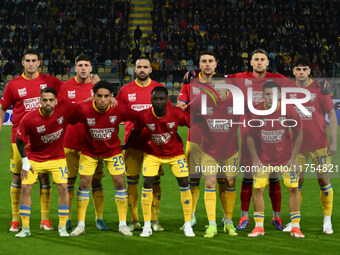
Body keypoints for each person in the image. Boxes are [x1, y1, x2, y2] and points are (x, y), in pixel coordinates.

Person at [0, 49, 62, 232]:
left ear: (39, 62)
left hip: (44, 139)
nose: (30, 64)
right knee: (17, 177)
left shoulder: (49, 81)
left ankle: (45, 219)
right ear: (22, 62)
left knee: (44, 177)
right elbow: (3, 108)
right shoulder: (13, 85)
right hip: (18, 139)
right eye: (27, 60)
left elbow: (71, 89)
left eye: (34, 60)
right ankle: (15, 219)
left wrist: (92, 81)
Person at [124, 86, 195, 238]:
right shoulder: (144, 115)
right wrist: (126, 146)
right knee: (147, 183)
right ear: (151, 99)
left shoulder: (176, 113)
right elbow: (135, 131)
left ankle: (188, 224)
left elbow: (195, 125)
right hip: (153, 154)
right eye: (155, 99)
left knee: (184, 182)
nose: (158, 102)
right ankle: (147, 225)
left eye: (162, 99)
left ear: (167, 99)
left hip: (176, 154)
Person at [70, 80, 136, 237]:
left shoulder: (119, 108)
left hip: (112, 151)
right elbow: (67, 116)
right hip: (89, 151)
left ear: (111, 97)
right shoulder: (84, 108)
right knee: (84, 183)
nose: (102, 100)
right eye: (99, 96)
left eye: (106, 96)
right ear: (94, 96)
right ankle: (81, 225)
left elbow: (138, 119)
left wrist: (129, 143)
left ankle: (122, 224)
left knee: (120, 181)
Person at [283, 57, 337, 234]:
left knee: (323, 180)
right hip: (295, 147)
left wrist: (334, 141)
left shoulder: (320, 88)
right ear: (293, 71)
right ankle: (294, 221)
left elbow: (331, 114)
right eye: (298, 69)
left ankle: (327, 220)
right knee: (295, 184)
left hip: (319, 144)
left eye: (304, 69)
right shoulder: (287, 90)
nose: (301, 72)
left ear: (309, 71)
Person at [176, 50, 230, 229]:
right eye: (204, 61)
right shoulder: (190, 81)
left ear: (216, 64)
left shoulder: (225, 83)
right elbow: (181, 104)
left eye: (210, 61)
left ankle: (225, 217)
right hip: (196, 137)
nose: (207, 64)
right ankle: (190, 216)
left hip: (220, 140)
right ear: (199, 65)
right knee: (193, 178)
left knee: (222, 180)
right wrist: (182, 105)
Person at [246, 81, 304, 238]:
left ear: (279, 95)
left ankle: (296, 227)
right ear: (263, 95)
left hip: (285, 159)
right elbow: (250, 136)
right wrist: (256, 159)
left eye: (274, 94)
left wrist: (294, 158)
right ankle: (259, 227)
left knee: (293, 189)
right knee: (258, 190)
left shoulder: (289, 110)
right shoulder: (257, 111)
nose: (270, 97)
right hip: (263, 160)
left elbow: (299, 133)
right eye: (267, 94)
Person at [15, 87, 75, 238]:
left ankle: (62, 226)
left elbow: (84, 104)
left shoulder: (64, 110)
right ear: (40, 101)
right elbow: (19, 140)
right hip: (34, 158)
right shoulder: (29, 118)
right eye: (44, 100)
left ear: (55, 101)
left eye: (51, 100)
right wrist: (25, 161)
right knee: (26, 188)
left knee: (63, 187)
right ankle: (25, 227)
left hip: (57, 158)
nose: (48, 103)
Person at [116, 57, 166, 231]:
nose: (142, 70)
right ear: (134, 70)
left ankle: (154, 219)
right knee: (131, 180)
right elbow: (117, 115)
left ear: (151, 70)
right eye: (139, 67)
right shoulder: (125, 90)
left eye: (146, 67)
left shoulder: (159, 88)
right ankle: (135, 219)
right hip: (132, 144)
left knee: (155, 180)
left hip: (155, 145)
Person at [58, 54, 107, 231]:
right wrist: (84, 103)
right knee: (69, 181)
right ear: (75, 68)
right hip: (70, 142)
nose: (83, 68)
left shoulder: (98, 87)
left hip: (92, 144)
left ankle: (99, 218)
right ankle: (68, 217)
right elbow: (61, 112)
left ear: (91, 68)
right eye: (80, 65)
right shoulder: (65, 87)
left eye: (86, 65)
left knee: (96, 182)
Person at [193, 73, 239, 237]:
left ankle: (228, 222)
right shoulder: (202, 100)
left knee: (230, 183)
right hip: (209, 151)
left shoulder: (237, 101)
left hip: (231, 151)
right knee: (210, 184)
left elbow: (251, 115)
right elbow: (189, 114)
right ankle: (212, 224)